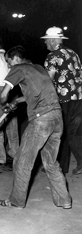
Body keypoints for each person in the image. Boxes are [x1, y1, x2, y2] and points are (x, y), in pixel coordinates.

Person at [0, 45, 72, 209]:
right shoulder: (39, 68)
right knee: (51, 162)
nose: (9, 66)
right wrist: (17, 101)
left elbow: (3, 95)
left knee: (21, 161)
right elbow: (39, 93)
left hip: (41, 120)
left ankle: (16, 201)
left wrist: (3, 104)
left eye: (9, 62)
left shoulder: (18, 68)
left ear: (16, 59)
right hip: (57, 118)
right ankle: (64, 200)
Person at [43, 26, 82, 175]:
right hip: (79, 98)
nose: (45, 44)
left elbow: (48, 81)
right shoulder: (73, 53)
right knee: (74, 133)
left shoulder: (52, 56)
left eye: (46, 41)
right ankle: (80, 163)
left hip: (64, 100)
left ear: (53, 40)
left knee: (61, 132)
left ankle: (60, 168)